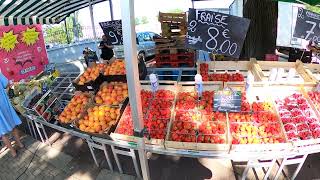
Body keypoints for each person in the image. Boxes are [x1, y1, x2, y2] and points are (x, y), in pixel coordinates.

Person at [0, 72, 24, 157]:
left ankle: (13, 152)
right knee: (13, 126)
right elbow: (6, 85)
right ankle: (20, 144)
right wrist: (4, 94)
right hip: (4, 105)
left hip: (3, 106)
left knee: (3, 133)